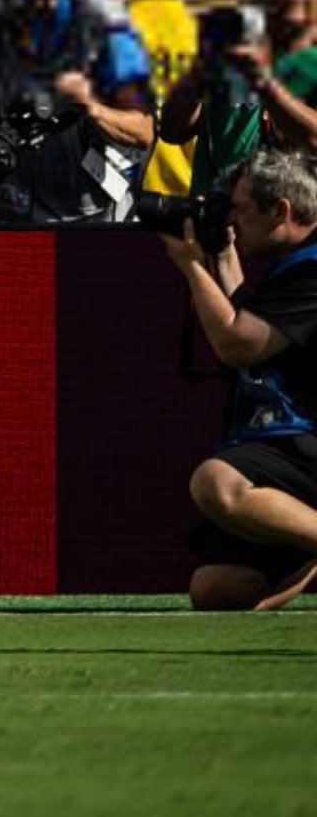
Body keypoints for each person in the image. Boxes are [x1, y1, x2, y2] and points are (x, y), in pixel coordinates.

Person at [165, 145, 317, 606]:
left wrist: (190, 264)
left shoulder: (312, 270)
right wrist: (223, 253)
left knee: (217, 483)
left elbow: (236, 345)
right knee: (219, 590)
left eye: (241, 210)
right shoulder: (293, 268)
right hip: (286, 446)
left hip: (305, 440)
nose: (231, 219)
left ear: (282, 210)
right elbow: (249, 321)